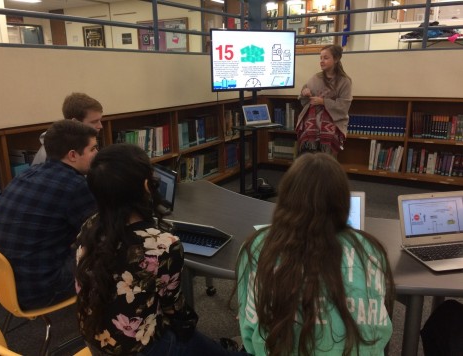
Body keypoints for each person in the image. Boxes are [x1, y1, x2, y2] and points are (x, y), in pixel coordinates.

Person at [75, 143, 247, 356]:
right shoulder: (162, 244)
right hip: (141, 349)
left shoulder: (90, 225)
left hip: (95, 338)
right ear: (147, 186)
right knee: (196, 339)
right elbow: (173, 309)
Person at [236, 153, 395, 356]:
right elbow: (380, 331)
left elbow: (251, 335)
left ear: (285, 197)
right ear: (343, 200)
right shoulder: (371, 249)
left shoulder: (257, 248)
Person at [0, 120, 98, 309]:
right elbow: (101, 232)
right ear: (72, 155)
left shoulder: (26, 175)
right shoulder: (76, 186)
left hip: (6, 285)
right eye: (93, 149)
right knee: (108, 249)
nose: (98, 154)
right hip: (41, 290)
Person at [295, 44, 352, 157]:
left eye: (326, 58)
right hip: (311, 122)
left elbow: (344, 106)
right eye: (320, 58)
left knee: (327, 156)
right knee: (307, 156)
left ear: (336, 59)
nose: (322, 61)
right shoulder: (315, 78)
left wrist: (323, 102)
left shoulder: (344, 81)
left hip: (332, 123)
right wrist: (304, 92)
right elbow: (303, 99)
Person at [31, 92, 103, 165]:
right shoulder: (53, 152)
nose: (100, 126)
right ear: (75, 122)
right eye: (94, 122)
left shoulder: (84, 142)